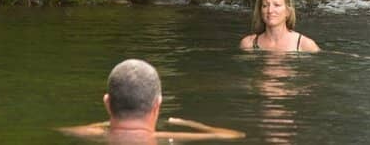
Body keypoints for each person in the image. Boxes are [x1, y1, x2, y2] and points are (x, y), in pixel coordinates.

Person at [60, 59, 243, 142]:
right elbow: (231, 135)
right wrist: (191, 124)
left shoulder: (87, 134)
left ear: (107, 103)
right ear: (157, 104)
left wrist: (104, 123)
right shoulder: (168, 138)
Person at [239, 0, 320, 52]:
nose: (270, 10)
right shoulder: (248, 44)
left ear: (288, 11)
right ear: (260, 11)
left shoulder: (305, 45)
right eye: (265, 6)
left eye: (277, 5)